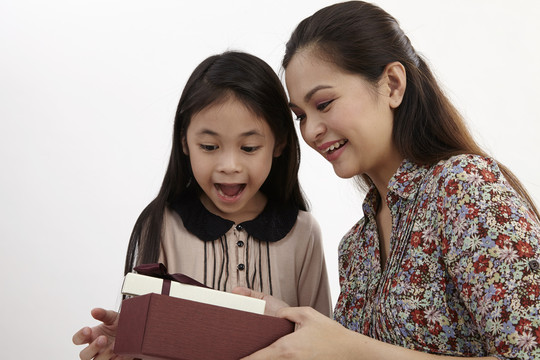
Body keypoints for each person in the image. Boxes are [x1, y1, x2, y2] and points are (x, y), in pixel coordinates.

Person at [234, 1, 540, 359]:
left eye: (324, 103)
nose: (311, 130)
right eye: (300, 115)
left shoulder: (463, 188)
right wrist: (291, 325)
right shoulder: (356, 247)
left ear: (393, 84)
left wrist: (349, 349)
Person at [72, 51, 332, 360]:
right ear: (184, 142)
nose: (229, 165)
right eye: (209, 147)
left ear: (279, 144)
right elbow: (146, 343)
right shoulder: (162, 225)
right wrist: (122, 351)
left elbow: (323, 344)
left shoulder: (303, 233)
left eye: (249, 147)